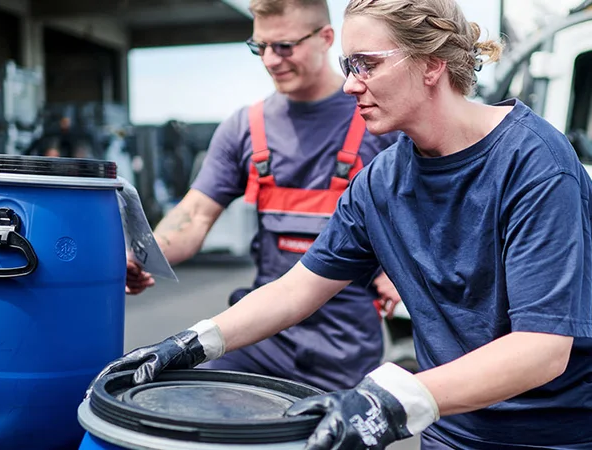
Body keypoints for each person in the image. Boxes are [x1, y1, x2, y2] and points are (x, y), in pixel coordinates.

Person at [95, 0, 592, 448]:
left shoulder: (535, 164)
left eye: (368, 65)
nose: (352, 83)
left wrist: (389, 399)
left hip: (548, 437)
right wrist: (189, 344)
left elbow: (540, 350)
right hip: (451, 428)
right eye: (348, 67)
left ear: (432, 64)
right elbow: (295, 291)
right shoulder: (381, 180)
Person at [126, 0, 401, 393]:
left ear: (326, 38)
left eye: (284, 46)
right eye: (260, 47)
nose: (271, 60)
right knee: (176, 400)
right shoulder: (245, 127)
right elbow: (196, 215)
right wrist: (143, 254)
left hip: (344, 347)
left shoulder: (377, 121)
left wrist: (398, 269)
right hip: (258, 336)